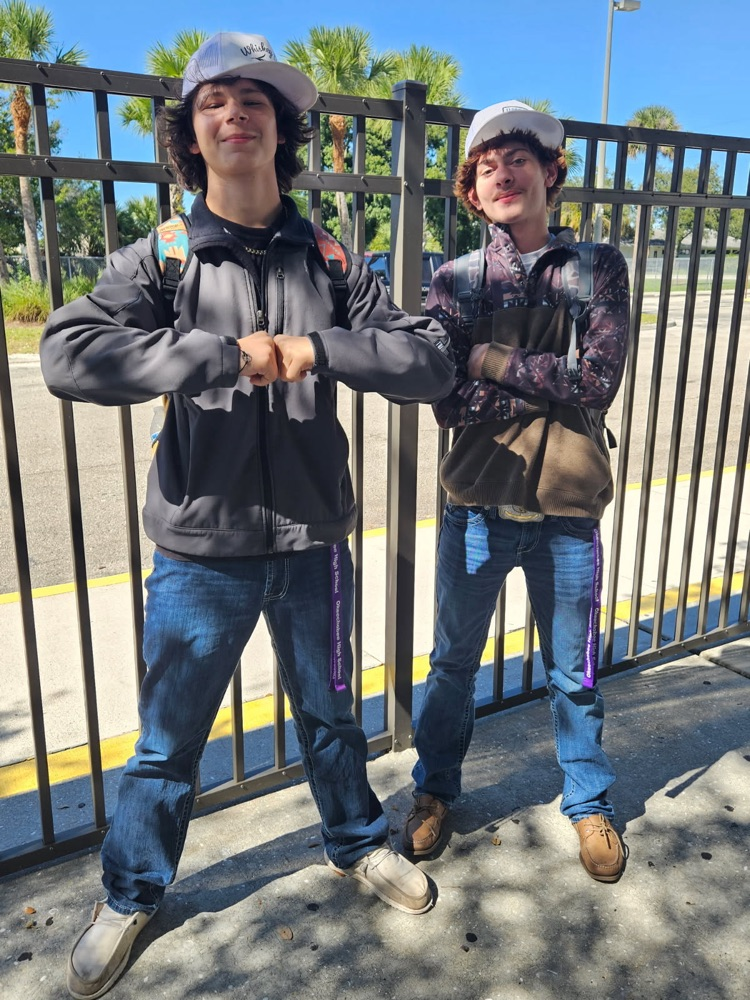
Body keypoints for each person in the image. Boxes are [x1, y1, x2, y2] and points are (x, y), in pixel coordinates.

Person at [40, 31, 454, 1000]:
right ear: (191, 131)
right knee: (166, 740)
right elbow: (70, 352)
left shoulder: (331, 255)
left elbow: (427, 357)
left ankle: (356, 841)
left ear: (283, 127)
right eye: (216, 99)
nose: (237, 112)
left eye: (258, 99)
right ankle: (133, 889)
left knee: (331, 713)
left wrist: (319, 350)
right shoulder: (168, 255)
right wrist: (210, 355)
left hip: (316, 543)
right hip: (200, 551)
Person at [402, 101, 630, 883]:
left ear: (551, 171)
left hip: (569, 513)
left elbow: (597, 382)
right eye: (487, 164)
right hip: (475, 507)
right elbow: (443, 400)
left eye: (519, 157)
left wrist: (490, 362)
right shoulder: (454, 281)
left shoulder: (597, 268)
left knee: (574, 669)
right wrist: (548, 383)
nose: (503, 171)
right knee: (451, 665)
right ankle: (433, 792)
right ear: (472, 191)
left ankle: (590, 802)